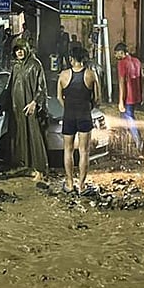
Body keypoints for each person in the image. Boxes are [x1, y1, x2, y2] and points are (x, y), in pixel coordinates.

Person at [1, 38, 48, 182]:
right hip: (17, 109)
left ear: (27, 49)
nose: (19, 52)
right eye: (16, 50)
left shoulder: (35, 65)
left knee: (34, 138)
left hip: (30, 108)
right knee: (21, 138)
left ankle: (40, 169)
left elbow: (42, 88)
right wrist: (3, 104)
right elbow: (9, 87)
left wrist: (34, 102)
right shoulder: (15, 66)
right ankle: (28, 167)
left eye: (21, 49)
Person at [57, 46, 101, 194]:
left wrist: (68, 107)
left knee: (67, 151)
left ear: (71, 59)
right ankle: (82, 186)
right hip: (84, 115)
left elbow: (59, 97)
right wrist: (88, 107)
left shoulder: (63, 75)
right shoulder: (91, 74)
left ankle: (69, 184)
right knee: (84, 151)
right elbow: (97, 98)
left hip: (69, 115)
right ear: (83, 58)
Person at [114, 42, 144, 153]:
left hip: (128, 97)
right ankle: (123, 143)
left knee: (129, 119)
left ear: (122, 53)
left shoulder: (122, 63)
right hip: (136, 95)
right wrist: (142, 95)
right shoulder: (137, 61)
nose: (115, 56)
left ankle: (139, 143)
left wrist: (121, 101)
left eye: (116, 53)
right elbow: (142, 79)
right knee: (123, 119)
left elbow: (122, 83)